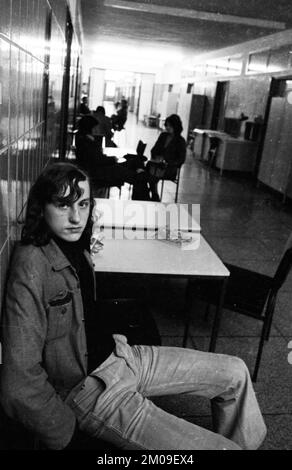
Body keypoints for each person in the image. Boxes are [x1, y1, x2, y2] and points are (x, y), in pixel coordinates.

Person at [0, 162, 267, 450]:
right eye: (63, 205)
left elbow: (82, 309)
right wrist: (67, 434)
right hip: (91, 390)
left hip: (121, 357)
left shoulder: (76, 243)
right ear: (42, 206)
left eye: (83, 203)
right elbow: (18, 384)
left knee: (236, 372)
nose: (76, 217)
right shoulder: (31, 266)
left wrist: (109, 333)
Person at [75, 115, 150, 199]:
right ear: (89, 127)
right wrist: (112, 159)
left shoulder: (84, 139)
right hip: (98, 172)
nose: (96, 129)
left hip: (101, 168)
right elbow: (96, 159)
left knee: (133, 164)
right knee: (129, 173)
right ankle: (144, 180)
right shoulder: (86, 141)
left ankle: (142, 175)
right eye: (94, 127)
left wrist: (110, 159)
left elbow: (96, 158)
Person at [146, 114, 186, 201]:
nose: (167, 127)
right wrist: (156, 157)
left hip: (170, 168)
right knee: (149, 168)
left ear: (175, 126)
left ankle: (154, 195)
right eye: (166, 125)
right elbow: (154, 149)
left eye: (170, 126)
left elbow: (181, 159)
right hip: (158, 165)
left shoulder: (180, 141)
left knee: (152, 173)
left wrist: (167, 162)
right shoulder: (163, 136)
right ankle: (154, 195)